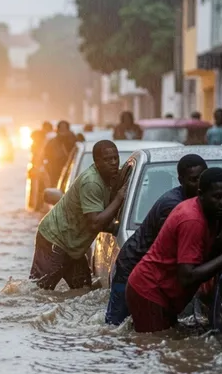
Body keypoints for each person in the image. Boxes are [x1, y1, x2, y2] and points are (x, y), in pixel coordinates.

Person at [126, 168, 222, 333]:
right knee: (154, 349)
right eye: (217, 197)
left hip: (158, 292)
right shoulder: (192, 220)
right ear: (201, 194)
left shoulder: (208, 211)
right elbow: (187, 276)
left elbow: (197, 255)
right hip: (150, 291)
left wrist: (219, 243)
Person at [105, 154, 208, 326]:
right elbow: (171, 250)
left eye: (202, 179)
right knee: (115, 329)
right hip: (132, 269)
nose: (199, 185)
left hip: (151, 278)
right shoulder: (176, 207)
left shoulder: (197, 203)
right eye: (193, 180)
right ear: (181, 180)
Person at [30, 140, 127, 290]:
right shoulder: (91, 182)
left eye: (116, 158)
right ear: (97, 162)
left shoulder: (114, 177)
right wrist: (119, 198)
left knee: (83, 291)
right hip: (55, 240)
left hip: (74, 246)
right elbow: (95, 223)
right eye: (108, 159)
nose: (114, 163)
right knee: (39, 292)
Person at [42, 121, 77, 185]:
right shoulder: (51, 143)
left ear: (68, 130)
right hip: (55, 174)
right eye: (61, 129)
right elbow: (46, 158)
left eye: (64, 129)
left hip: (71, 174)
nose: (62, 132)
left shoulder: (73, 142)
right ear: (57, 130)